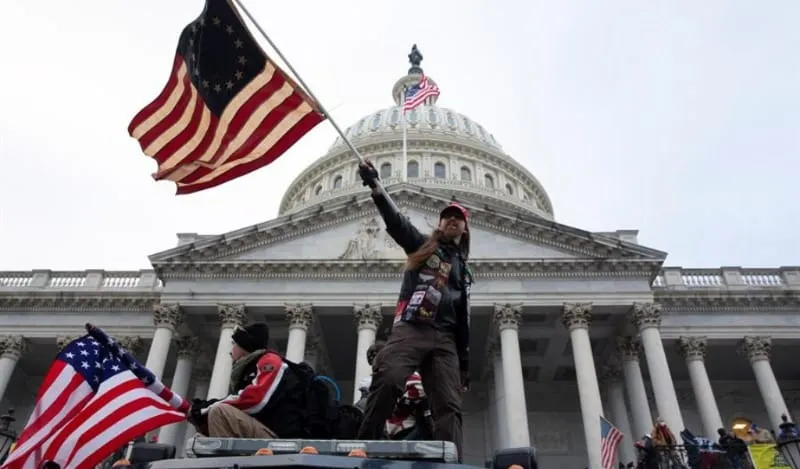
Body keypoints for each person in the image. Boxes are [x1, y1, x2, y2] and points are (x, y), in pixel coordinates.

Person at [356, 161, 473, 461]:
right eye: (446, 217)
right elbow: (397, 225)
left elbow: (462, 318)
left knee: (449, 403)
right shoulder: (424, 246)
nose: (451, 222)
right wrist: (376, 188)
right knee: (389, 378)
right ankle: (362, 445)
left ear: (464, 227)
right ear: (440, 223)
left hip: (445, 338)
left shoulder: (463, 269)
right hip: (413, 327)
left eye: (457, 219)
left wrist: (463, 362)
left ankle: (451, 459)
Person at [188, 323, 306, 438]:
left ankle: (224, 457)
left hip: (278, 435)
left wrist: (204, 408)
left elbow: (256, 400)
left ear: (243, 348)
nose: (230, 350)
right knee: (206, 422)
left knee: (219, 412)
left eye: (234, 344)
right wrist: (201, 412)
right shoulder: (249, 368)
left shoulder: (269, 361)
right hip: (264, 429)